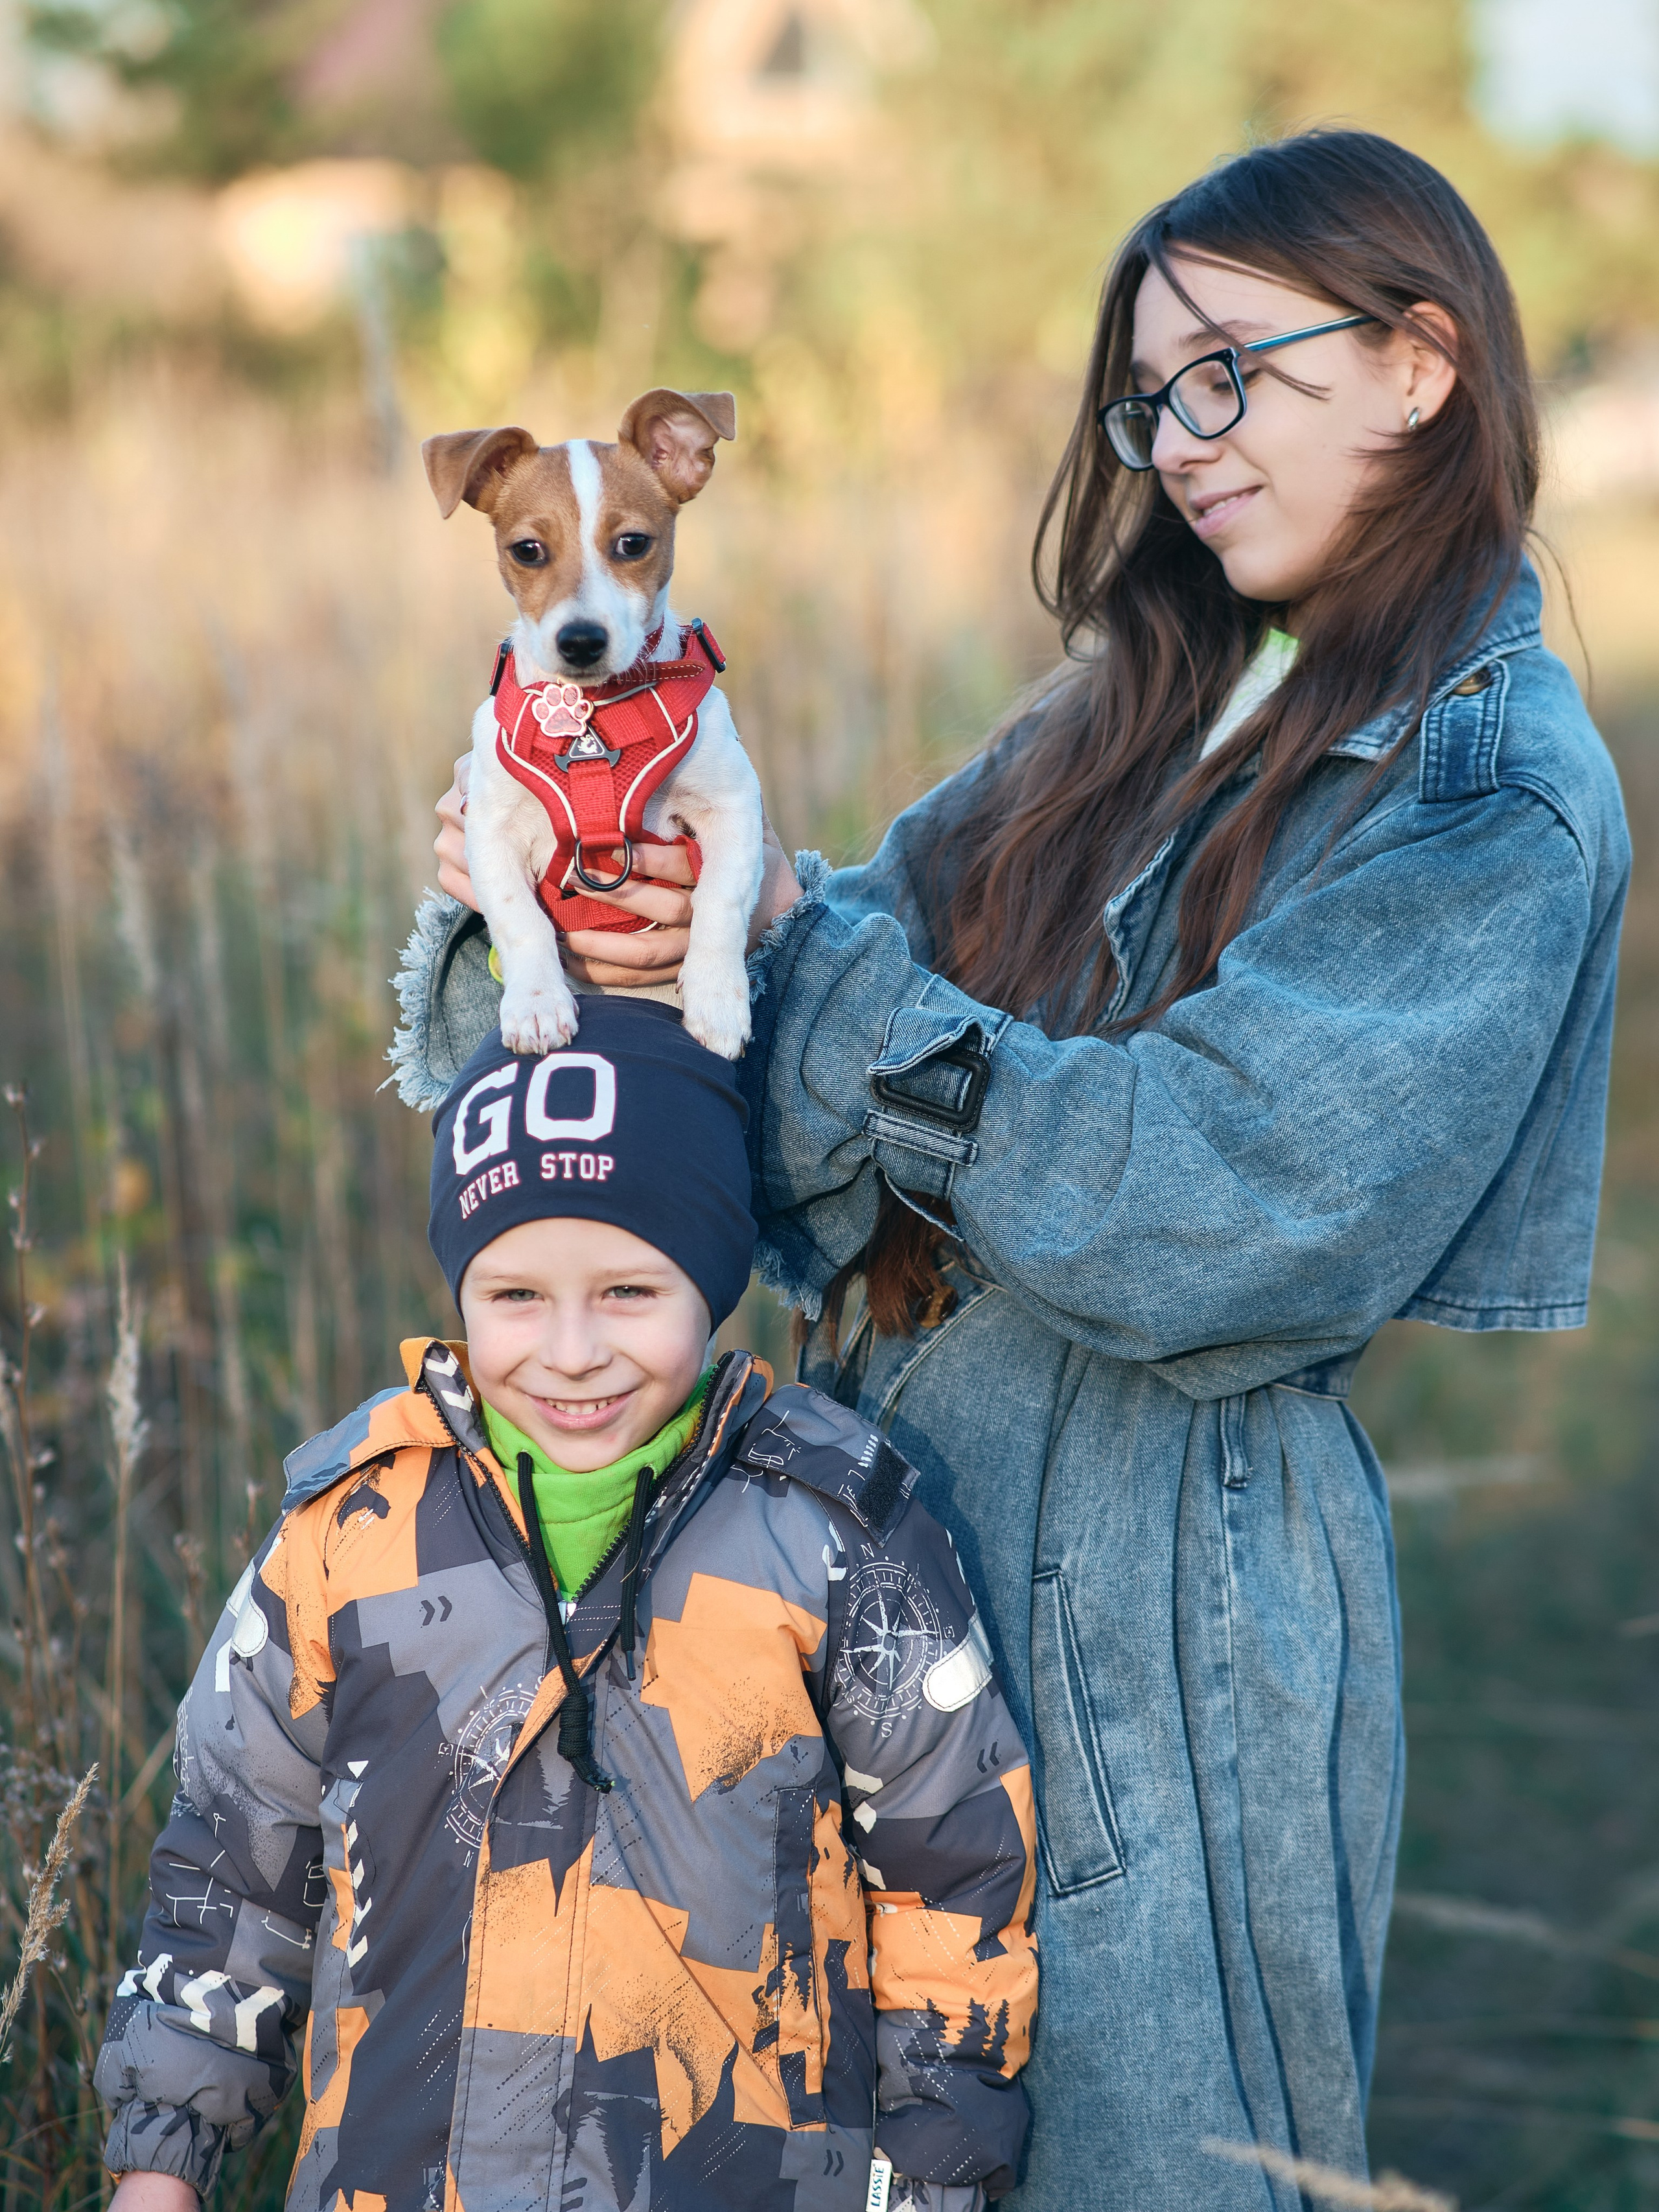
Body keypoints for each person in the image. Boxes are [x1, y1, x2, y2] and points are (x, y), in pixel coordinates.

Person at [404, 131, 1629, 2209]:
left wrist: (800, 968)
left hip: (1156, 1608)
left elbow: (1217, 1206)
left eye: (1230, 371)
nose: (1179, 443)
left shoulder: (1496, 786)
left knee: (1127, 2162)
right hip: (859, 1537)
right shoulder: (1136, 694)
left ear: (1425, 364)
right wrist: (572, 929)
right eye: (1152, 399)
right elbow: (798, 1060)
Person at [95, 997, 1039, 2212]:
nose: (574, 1350)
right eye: (517, 1297)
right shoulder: (350, 1534)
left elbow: (954, 1877)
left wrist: (930, 2181)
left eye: (632, 1292)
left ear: (711, 1281)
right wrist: (161, 2164)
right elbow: (233, 1866)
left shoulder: (837, 1534)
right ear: (460, 1290)